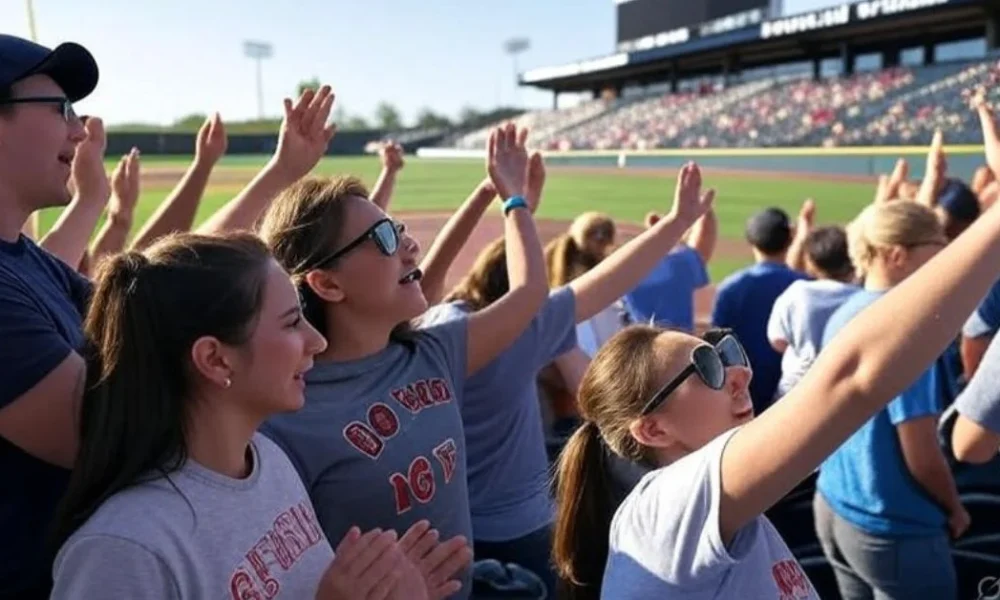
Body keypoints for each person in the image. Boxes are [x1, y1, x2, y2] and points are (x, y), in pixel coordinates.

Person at [550, 146, 1000, 599]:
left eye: (722, 352)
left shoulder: (707, 505)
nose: (737, 373)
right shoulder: (665, 511)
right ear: (652, 428)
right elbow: (852, 381)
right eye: (706, 368)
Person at [0, 32, 338, 596]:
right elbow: (110, 430)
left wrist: (278, 175)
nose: (80, 129)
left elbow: (169, 297)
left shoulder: (25, 263)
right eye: (60, 109)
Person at [48, 232, 452, 600]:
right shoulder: (124, 550)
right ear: (216, 360)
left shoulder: (267, 460)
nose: (317, 341)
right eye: (292, 323)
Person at [258, 124, 548, 599]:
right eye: (385, 239)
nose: (408, 246)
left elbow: (529, 293)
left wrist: (505, 197)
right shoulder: (286, 415)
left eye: (399, 230)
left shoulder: (430, 352)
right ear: (328, 285)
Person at [424, 161, 714, 596]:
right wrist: (676, 223)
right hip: (521, 524)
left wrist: (508, 202)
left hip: (450, 527)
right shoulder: (522, 334)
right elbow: (604, 286)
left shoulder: (435, 332)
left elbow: (427, 282)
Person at [815, 200, 964, 600]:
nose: (946, 256)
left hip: (834, 506)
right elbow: (921, 453)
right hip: (892, 528)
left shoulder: (845, 310)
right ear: (897, 255)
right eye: (937, 246)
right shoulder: (909, 329)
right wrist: (955, 507)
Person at [711, 207, 807, 413]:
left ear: (751, 240)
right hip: (794, 389)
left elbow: (718, 340)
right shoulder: (806, 287)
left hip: (744, 387)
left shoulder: (731, 286)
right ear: (790, 238)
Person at [767, 226, 857, 399]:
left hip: (797, 386)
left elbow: (778, 341)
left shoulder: (797, 292)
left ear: (811, 262)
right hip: (845, 389)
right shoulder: (862, 296)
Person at [622, 207, 716, 332]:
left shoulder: (622, 271)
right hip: (680, 344)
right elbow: (702, 244)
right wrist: (705, 208)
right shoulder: (681, 264)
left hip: (637, 346)